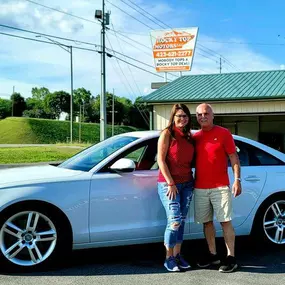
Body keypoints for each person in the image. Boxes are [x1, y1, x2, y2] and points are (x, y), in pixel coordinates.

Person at [193, 103, 242, 273]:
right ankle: (212, 255)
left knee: (225, 222)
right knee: (207, 223)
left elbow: (233, 157)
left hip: (220, 187)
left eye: (206, 113)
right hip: (200, 187)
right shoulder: (195, 137)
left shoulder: (223, 133)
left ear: (212, 115)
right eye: (199, 114)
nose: (203, 117)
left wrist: (237, 180)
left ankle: (231, 257)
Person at [157, 103, 195, 272]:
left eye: (185, 116)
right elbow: (161, 160)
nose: (182, 119)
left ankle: (178, 255)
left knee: (182, 221)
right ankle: (168, 258)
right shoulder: (167, 134)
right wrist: (171, 183)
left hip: (187, 183)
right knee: (175, 221)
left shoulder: (188, 136)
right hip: (169, 184)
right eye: (179, 116)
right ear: (172, 117)